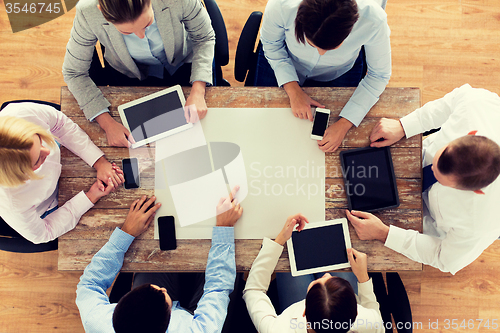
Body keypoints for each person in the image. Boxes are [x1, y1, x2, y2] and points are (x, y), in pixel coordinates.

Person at [345, 84, 500, 275]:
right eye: (438, 159)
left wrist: (384, 234)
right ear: (469, 134)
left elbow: (443, 258)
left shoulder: (481, 224)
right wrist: (404, 126)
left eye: (442, 179)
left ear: (477, 191)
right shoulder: (476, 105)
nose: (433, 169)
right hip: (414, 154)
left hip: (426, 222)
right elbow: (446, 105)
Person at [76, 187, 243, 333]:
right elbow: (217, 289)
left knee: (154, 256)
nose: (163, 289)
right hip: (192, 319)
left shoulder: (97, 322)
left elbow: (89, 284)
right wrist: (224, 228)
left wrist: (126, 232)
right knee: (231, 274)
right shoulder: (198, 330)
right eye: (163, 293)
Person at [62, 0, 215, 147]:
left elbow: (204, 37)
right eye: (126, 32)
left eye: (147, 24)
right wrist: (107, 124)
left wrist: (198, 90)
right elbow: (73, 72)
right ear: (102, 12)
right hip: (128, 76)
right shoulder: (87, 11)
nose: (141, 36)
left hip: (182, 66)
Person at [258, 0, 391, 152]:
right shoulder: (281, 4)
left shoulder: (374, 19)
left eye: (331, 48)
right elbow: (271, 44)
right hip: (284, 58)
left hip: (341, 71)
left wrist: (344, 124)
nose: (321, 53)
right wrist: (292, 89)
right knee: (263, 128)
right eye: (312, 44)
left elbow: (379, 75)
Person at [0, 102, 123, 244]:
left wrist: (99, 162)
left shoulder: (19, 113)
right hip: (49, 205)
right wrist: (90, 197)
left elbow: (60, 124)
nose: (47, 151)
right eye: (37, 161)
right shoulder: (12, 202)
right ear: (20, 175)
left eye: (39, 140)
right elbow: (44, 233)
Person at [243, 214, 384, 332]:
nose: (327, 274)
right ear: (357, 313)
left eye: (315, 284)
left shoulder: (280, 329)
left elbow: (253, 290)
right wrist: (363, 278)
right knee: (337, 253)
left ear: (304, 312)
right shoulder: (369, 323)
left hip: (294, 316)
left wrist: (279, 240)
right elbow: (377, 320)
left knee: (290, 256)